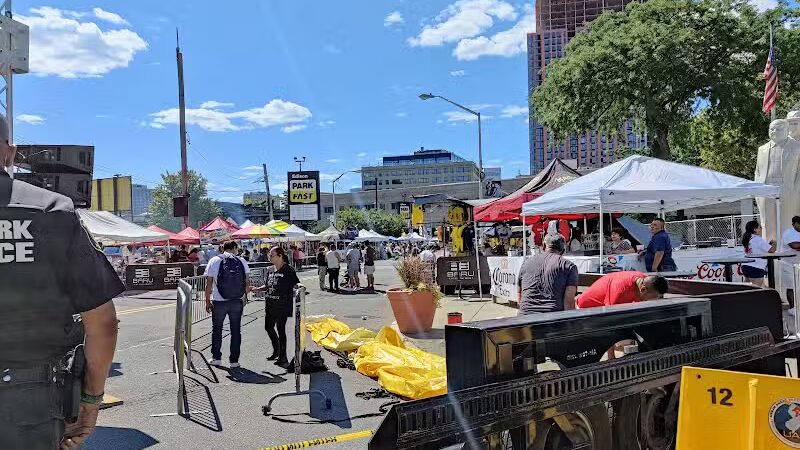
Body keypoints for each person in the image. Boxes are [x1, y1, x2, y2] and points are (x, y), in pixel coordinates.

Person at [0, 124, 122, 450]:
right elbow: (103, 324)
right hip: (31, 406)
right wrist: (90, 403)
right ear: (9, 153)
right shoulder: (52, 210)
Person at [204, 241, 250, 368]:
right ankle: (234, 361)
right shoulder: (241, 261)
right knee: (235, 331)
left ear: (222, 248)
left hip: (219, 301)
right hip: (236, 301)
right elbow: (247, 282)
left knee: (217, 329)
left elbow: (209, 284)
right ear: (234, 248)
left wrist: (207, 301)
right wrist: (245, 297)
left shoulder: (214, 260)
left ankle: (216, 358)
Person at [253, 247, 299, 368]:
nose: (269, 257)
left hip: (282, 305)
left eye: (272, 255)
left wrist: (298, 292)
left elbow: (296, 285)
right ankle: (277, 349)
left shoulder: (289, 270)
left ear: (280, 256)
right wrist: (257, 289)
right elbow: (267, 285)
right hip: (270, 304)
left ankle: (283, 356)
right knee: (268, 327)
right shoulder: (270, 269)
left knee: (281, 329)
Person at [516, 235, 579, 315]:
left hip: (524, 319)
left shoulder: (526, 263)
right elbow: (569, 302)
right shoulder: (568, 266)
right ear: (563, 250)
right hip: (552, 321)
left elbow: (519, 296)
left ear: (544, 246)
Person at [577, 271, 668, 308]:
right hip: (586, 310)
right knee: (624, 341)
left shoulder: (643, 279)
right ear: (643, 289)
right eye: (654, 297)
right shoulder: (620, 292)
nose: (656, 301)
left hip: (606, 308)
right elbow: (608, 320)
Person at [741, 220, 777, 286]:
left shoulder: (748, 238)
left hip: (746, 266)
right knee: (756, 291)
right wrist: (775, 243)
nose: (761, 229)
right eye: (759, 227)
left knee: (747, 290)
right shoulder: (757, 239)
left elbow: (757, 249)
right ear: (755, 229)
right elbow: (772, 250)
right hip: (756, 267)